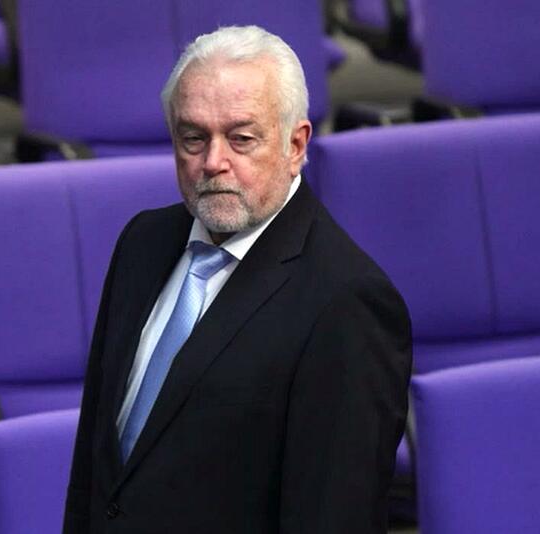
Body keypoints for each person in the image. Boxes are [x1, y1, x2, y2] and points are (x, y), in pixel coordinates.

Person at [63, 25, 412, 534]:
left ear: (296, 144)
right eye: (193, 138)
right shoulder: (142, 242)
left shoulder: (347, 302)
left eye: (242, 138)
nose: (214, 163)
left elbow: (333, 518)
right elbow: (96, 464)